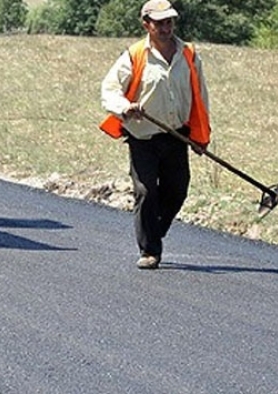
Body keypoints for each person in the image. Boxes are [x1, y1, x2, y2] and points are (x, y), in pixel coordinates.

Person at [100, 0, 211, 270]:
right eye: (159, 23)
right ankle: (150, 250)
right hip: (143, 135)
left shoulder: (189, 55)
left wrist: (200, 136)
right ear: (146, 25)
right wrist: (126, 107)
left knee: (178, 190)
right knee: (146, 191)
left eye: (169, 22)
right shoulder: (135, 55)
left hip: (176, 135)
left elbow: (200, 97)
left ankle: (154, 230)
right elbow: (109, 90)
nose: (165, 28)